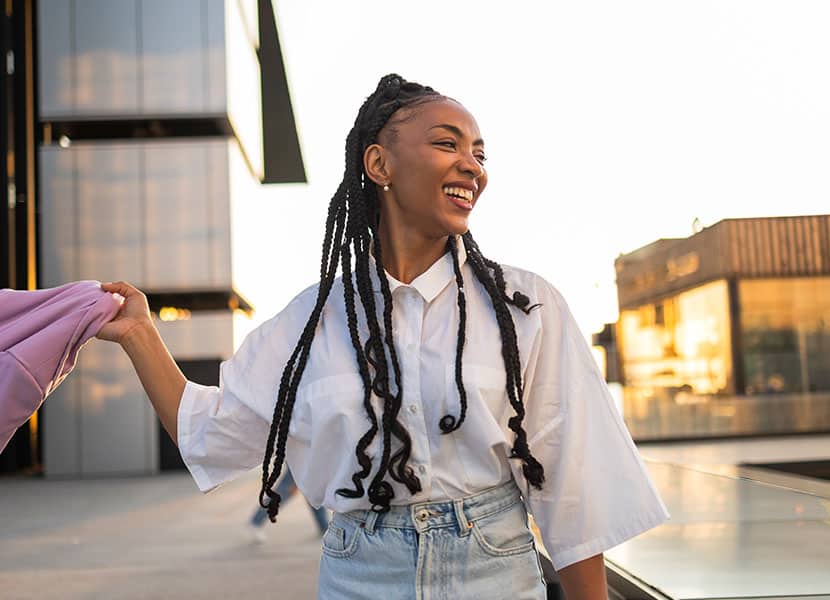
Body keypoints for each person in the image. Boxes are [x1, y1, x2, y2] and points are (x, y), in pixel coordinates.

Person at [96, 73, 669, 599]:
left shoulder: (527, 308)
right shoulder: (309, 324)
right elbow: (211, 435)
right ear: (379, 164)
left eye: (479, 152)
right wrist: (142, 334)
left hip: (497, 573)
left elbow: (573, 486)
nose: (472, 165)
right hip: (358, 577)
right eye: (447, 144)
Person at [249, 466, 329, 543]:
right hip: (301, 456)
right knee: (286, 490)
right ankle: (256, 521)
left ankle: (324, 527)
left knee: (313, 491)